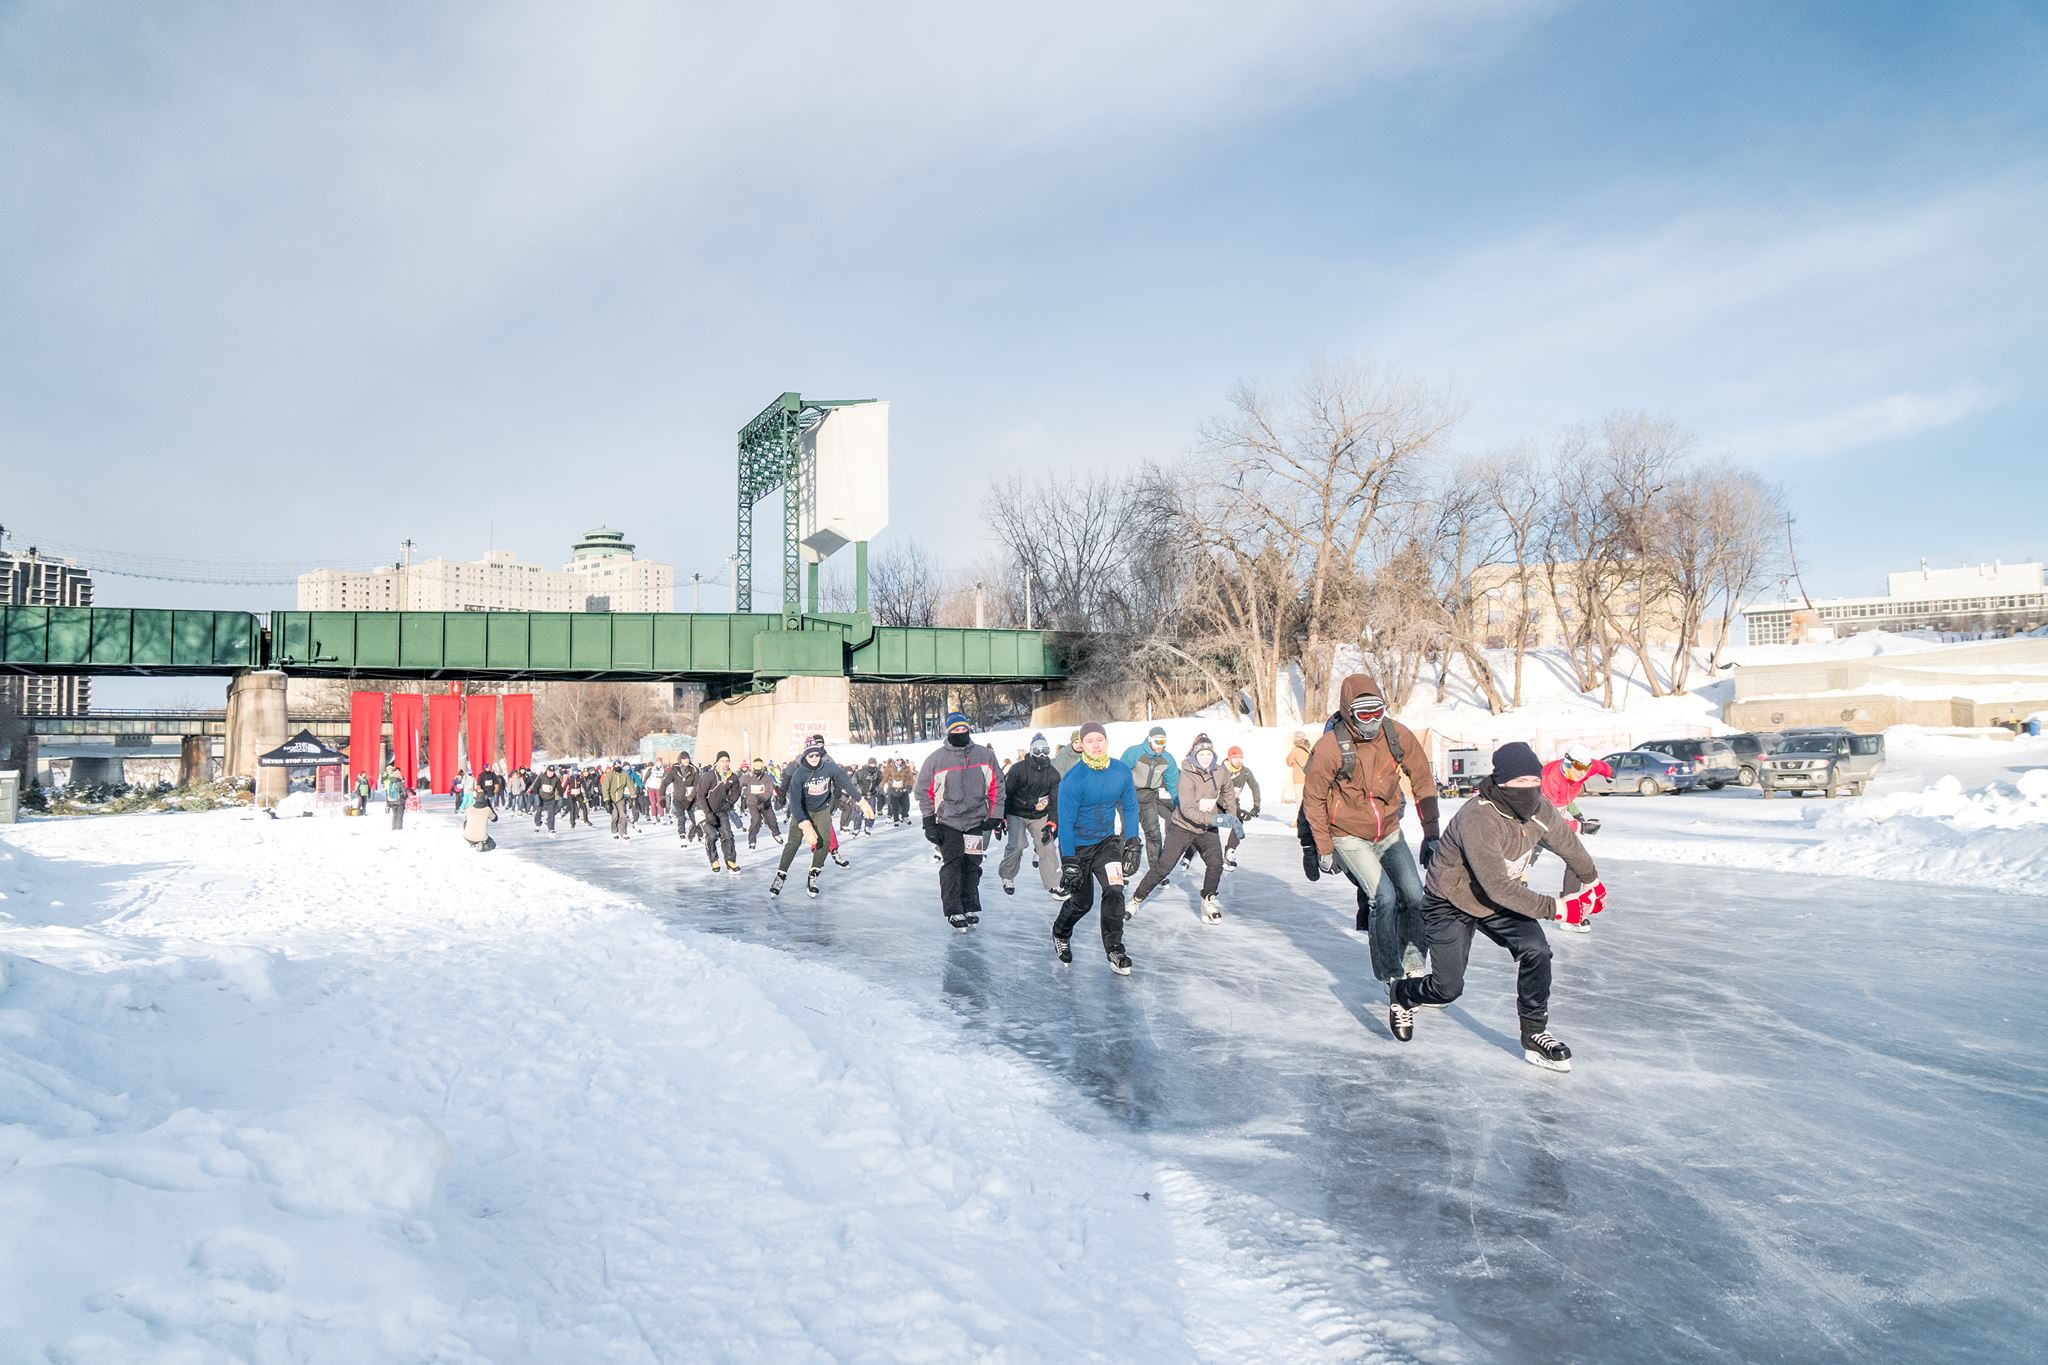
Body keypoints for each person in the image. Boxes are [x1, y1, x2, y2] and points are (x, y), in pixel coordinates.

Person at [1390, 742, 1598, 1072]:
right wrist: (1558, 908)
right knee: (1447, 989)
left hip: (1497, 899)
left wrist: (1592, 881)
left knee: (1536, 950)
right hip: (1450, 901)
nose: (1528, 790)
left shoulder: (1540, 809)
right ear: (1501, 782)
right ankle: (1403, 992)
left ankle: (1535, 1033)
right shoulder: (1479, 817)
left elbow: (1567, 843)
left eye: (1534, 782)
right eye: (1520, 782)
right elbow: (1496, 885)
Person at [1301, 672, 1440, 993]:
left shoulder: (1396, 735)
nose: (1373, 721)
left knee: (1415, 896)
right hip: (1348, 834)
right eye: (1364, 715)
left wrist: (1431, 833)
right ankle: (1391, 973)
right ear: (1349, 713)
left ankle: (1413, 963)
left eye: (1378, 712)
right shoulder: (1329, 748)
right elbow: (1313, 799)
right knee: (1384, 897)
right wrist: (1320, 848)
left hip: (1388, 830)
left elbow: (1422, 779)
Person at [1052, 721, 1141, 973]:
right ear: (1081, 745)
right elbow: (1065, 824)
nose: (1096, 745)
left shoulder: (1120, 771)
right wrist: (1068, 859)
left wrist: (1133, 841)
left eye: (1099, 740)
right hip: (1078, 846)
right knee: (1082, 903)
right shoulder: (1073, 779)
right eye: (1089, 741)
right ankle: (1060, 933)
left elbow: (1130, 807)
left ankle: (1115, 949)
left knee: (1115, 889)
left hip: (1106, 843)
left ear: (1106, 741)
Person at [1129, 735, 1237, 920]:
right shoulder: (1186, 776)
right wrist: (1214, 820)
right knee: (1163, 868)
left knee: (1216, 864)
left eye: (1208, 754)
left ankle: (1207, 900)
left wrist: (1232, 816)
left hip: (1207, 828)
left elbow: (1228, 792)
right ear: (1194, 755)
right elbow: (1187, 809)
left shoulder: (1220, 771)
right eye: (1201, 754)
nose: (1205, 758)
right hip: (1182, 827)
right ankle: (1136, 899)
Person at [916, 712, 1004, 931]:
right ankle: (954, 909)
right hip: (949, 822)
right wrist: (929, 821)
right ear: (948, 731)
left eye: (964, 728)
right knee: (953, 865)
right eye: (956, 729)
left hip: (975, 821)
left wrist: (995, 814)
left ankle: (970, 905)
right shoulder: (936, 759)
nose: (960, 732)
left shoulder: (984, 755)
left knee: (972, 864)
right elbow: (923, 791)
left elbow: (997, 786)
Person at [770, 735, 866, 898]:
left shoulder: (828, 766)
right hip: (802, 810)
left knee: (825, 841)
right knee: (793, 843)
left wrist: (860, 800)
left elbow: (845, 781)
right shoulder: (799, 774)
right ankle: (781, 875)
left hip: (821, 809)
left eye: (817, 754)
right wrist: (804, 823)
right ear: (805, 756)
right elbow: (794, 802)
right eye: (810, 755)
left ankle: (813, 874)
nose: (814, 758)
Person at [1538, 744, 1614, 931]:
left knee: (1576, 859)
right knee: (1519, 865)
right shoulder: (1550, 780)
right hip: (1535, 823)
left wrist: (1610, 773)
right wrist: (1581, 826)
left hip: (1555, 819)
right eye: (1579, 767)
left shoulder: (1583, 770)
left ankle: (1570, 913)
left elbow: (1600, 766)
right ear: (1567, 762)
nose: (1583, 772)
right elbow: (1549, 821)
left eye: (1586, 768)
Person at [997, 733, 1064, 897]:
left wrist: (1052, 822)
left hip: (1039, 815)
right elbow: (1007, 794)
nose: (1041, 754)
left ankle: (1054, 883)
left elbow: (1055, 801)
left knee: (1047, 847)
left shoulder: (1053, 774)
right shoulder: (1018, 769)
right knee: (1017, 844)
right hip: (1017, 813)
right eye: (1037, 750)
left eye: (1044, 751)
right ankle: (1007, 875)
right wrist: (1001, 817)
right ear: (1031, 751)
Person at [1120, 725, 1179, 872]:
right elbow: (1120, 774)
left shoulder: (1167, 759)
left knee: (1154, 833)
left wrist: (1177, 804)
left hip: (1149, 798)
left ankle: (1156, 871)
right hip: (1129, 796)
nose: (1160, 745)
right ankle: (1120, 868)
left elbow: (1173, 784)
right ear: (1150, 740)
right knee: (1128, 832)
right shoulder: (1134, 753)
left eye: (1163, 742)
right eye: (1157, 741)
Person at [696, 752, 743, 871]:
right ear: (717, 762)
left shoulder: (732, 777)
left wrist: (730, 803)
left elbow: (737, 792)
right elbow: (700, 795)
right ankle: (714, 860)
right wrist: (708, 813)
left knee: (728, 835)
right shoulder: (709, 776)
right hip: (705, 810)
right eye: (722, 761)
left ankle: (730, 860)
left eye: (727, 761)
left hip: (721, 811)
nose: (725, 763)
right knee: (712, 836)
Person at [1220, 746, 1261, 868]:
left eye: (1240, 757)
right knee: (1208, 826)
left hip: (1234, 802)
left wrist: (1256, 805)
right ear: (1229, 758)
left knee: (1239, 822)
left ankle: (1230, 850)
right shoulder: (1221, 771)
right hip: (1219, 802)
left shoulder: (1245, 771)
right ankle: (1190, 852)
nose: (1238, 760)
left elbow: (1255, 786)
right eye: (1235, 758)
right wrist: (1236, 810)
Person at [743, 757, 783, 849]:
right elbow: (738, 784)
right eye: (756, 766)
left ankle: (775, 833)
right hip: (752, 803)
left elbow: (769, 790)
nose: (758, 768)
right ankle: (752, 840)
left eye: (760, 766)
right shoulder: (748, 777)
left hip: (765, 803)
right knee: (756, 819)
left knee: (772, 819)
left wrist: (763, 798)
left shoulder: (767, 777)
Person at [602, 761, 634, 839]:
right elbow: (605, 788)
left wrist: (632, 797)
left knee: (623, 815)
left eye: (619, 765)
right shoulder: (610, 775)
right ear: (613, 766)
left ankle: (623, 832)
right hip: (611, 799)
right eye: (616, 765)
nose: (618, 767)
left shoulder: (624, 774)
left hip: (620, 798)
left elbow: (631, 785)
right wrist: (607, 801)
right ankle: (614, 831)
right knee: (615, 815)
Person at [532, 765, 562, 835]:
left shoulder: (556, 779)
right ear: (547, 771)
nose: (551, 773)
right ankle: (538, 824)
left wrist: (560, 797)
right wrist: (536, 796)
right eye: (549, 771)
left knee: (551, 814)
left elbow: (560, 789)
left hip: (551, 799)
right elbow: (535, 787)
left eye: (552, 771)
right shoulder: (541, 777)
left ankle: (551, 828)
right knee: (538, 812)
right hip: (541, 798)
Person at [1284, 732, 1312, 805]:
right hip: (1309, 778)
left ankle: (1300, 813)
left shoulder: (1295, 750)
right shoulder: (1308, 750)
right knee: (1308, 802)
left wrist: (1293, 763)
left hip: (1299, 780)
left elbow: (1288, 762)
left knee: (1300, 802)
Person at [382, 763, 409, 830]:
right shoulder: (399, 783)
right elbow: (405, 793)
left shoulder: (390, 783)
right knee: (399, 816)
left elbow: (388, 794)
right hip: (399, 802)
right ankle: (398, 830)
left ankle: (393, 828)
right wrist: (404, 798)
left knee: (394, 815)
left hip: (392, 801)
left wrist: (388, 803)